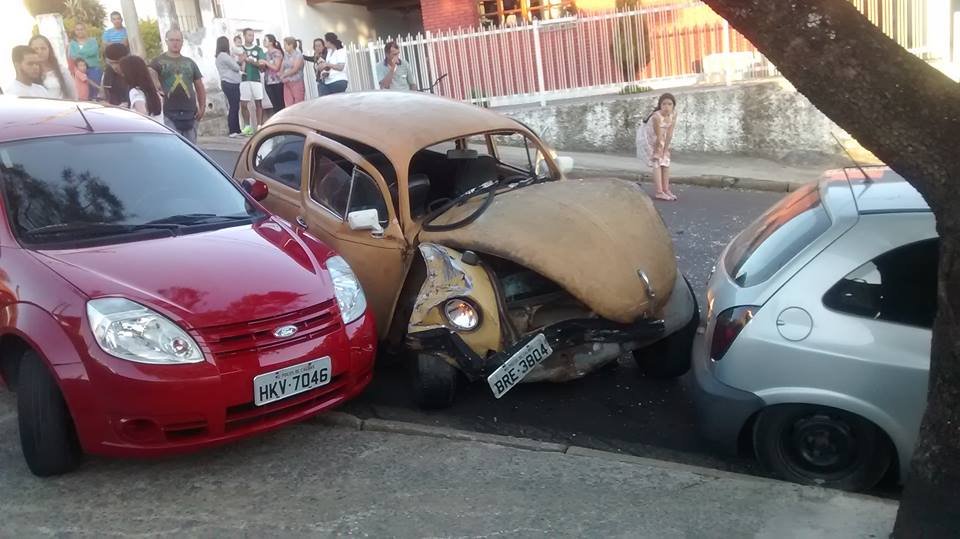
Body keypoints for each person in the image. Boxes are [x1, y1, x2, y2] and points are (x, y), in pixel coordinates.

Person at [149, 29, 206, 143]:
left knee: (192, 149)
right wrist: (156, 82)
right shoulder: (157, 62)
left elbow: (199, 86)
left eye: (178, 40)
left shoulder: (190, 62)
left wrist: (202, 107)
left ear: (182, 42)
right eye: (172, 40)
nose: (175, 43)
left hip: (190, 113)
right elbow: (150, 74)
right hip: (168, 113)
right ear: (167, 41)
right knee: (174, 147)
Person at [636, 93, 678, 201]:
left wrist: (666, 149)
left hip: (661, 138)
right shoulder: (656, 117)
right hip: (649, 139)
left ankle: (666, 189)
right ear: (660, 105)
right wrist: (658, 151)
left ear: (673, 106)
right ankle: (659, 191)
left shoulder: (673, 114)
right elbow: (658, 136)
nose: (667, 107)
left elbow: (669, 133)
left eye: (670, 104)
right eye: (664, 104)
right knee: (657, 161)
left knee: (666, 160)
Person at [29, 34, 76, 99]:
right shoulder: (28, 74)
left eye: (43, 48)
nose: (39, 51)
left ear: (49, 50)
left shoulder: (62, 71)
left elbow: (73, 95)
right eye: (35, 49)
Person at [119, 55, 163, 123]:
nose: (122, 75)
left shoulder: (135, 92)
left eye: (123, 72)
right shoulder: (155, 93)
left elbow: (142, 114)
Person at [238, 28, 265, 136]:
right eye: (249, 35)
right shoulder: (240, 48)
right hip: (244, 79)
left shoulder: (258, 49)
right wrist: (241, 60)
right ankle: (247, 127)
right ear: (244, 36)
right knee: (243, 104)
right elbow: (236, 62)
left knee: (258, 102)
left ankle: (259, 126)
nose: (251, 37)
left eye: (252, 35)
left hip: (255, 78)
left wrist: (251, 62)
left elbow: (262, 64)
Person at [215, 36, 242, 137]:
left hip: (229, 82)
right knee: (234, 106)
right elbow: (236, 67)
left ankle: (237, 129)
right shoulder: (224, 56)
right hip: (230, 82)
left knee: (235, 106)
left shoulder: (219, 56)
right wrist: (238, 61)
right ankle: (233, 130)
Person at [68, 23, 102, 100]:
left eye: (81, 29)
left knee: (95, 93)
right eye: (77, 29)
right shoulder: (73, 43)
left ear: (85, 30)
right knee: (83, 93)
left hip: (93, 69)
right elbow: (73, 55)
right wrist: (86, 53)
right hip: (79, 72)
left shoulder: (93, 41)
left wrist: (80, 53)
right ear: (75, 31)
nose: (80, 31)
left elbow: (93, 51)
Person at [260, 34, 285, 114]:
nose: (263, 42)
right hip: (268, 81)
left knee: (280, 104)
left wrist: (265, 62)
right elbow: (264, 69)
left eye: (265, 40)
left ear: (271, 42)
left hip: (277, 81)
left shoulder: (277, 52)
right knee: (274, 105)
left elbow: (276, 67)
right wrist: (261, 66)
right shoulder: (265, 53)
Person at [280, 37, 305, 107]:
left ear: (291, 45)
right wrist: (280, 74)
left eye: (285, 45)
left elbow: (295, 69)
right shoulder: (286, 54)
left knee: (298, 104)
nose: (284, 47)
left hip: (296, 82)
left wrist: (284, 75)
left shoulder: (298, 54)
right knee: (288, 104)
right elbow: (283, 65)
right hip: (287, 82)